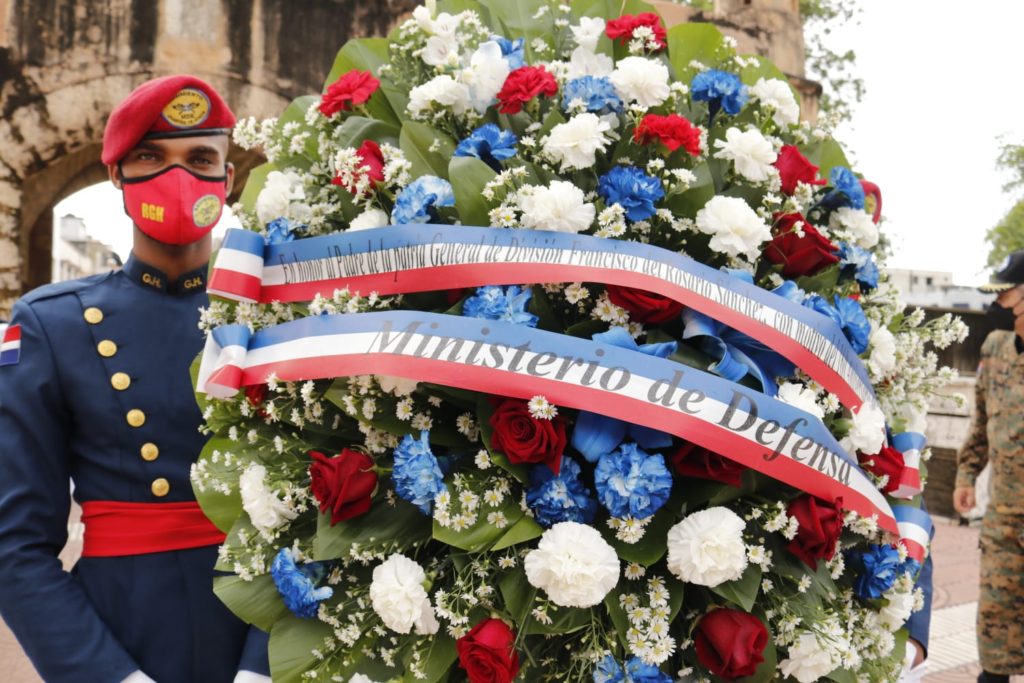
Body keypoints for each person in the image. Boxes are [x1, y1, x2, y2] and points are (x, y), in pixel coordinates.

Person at [0, 75, 270, 683]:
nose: (178, 177)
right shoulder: (53, 325)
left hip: (268, 625)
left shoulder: (277, 314)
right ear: (118, 176)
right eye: (150, 156)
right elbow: (14, 548)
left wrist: (267, 667)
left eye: (200, 158)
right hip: (123, 634)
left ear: (227, 182)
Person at [953, 249, 1024, 683]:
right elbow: (981, 420)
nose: (998, 306)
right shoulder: (996, 348)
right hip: (1004, 517)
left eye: (1007, 296)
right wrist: (966, 473)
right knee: (996, 625)